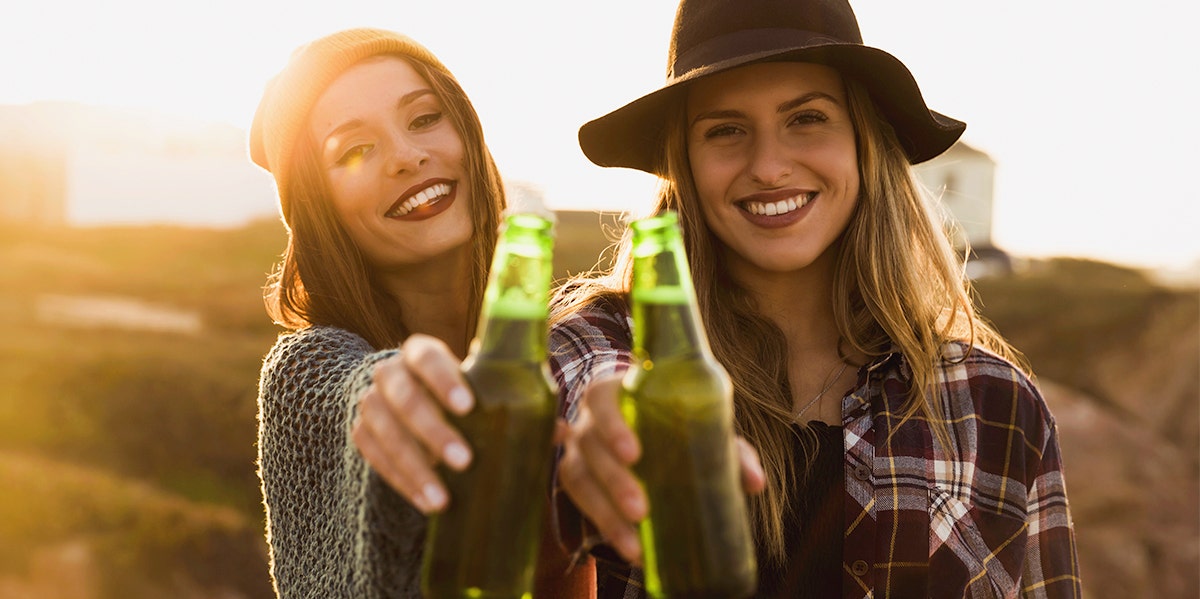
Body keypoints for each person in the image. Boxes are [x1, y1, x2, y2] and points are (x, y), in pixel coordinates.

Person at [548, 0, 1082, 597]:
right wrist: (618, 418)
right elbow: (588, 381)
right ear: (684, 163)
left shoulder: (997, 406)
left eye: (806, 118)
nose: (769, 167)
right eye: (725, 130)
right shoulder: (598, 346)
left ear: (864, 141)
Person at [250, 28, 591, 598]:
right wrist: (391, 397)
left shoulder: (575, 343)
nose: (407, 158)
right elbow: (347, 393)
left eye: (424, 118)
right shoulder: (305, 372)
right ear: (318, 205)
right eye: (356, 151)